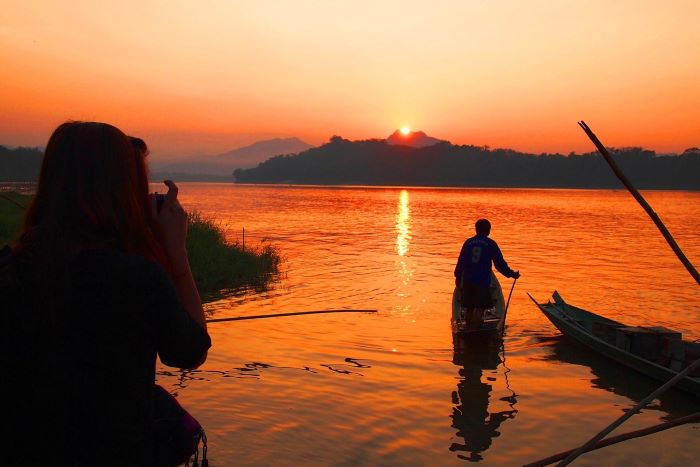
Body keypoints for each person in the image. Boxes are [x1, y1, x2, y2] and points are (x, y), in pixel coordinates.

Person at [0, 121, 211, 466]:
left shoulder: (10, 268)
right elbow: (191, 351)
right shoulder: (136, 280)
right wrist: (176, 252)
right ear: (123, 191)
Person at [454, 219, 520, 330]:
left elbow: (461, 261)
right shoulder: (490, 244)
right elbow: (499, 265)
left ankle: (467, 329)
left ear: (476, 229)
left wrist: (458, 276)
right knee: (480, 307)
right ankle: (473, 332)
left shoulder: (468, 243)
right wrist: (512, 274)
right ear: (488, 230)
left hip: (468, 281)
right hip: (481, 282)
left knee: (469, 307)